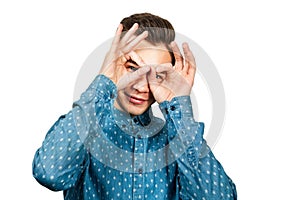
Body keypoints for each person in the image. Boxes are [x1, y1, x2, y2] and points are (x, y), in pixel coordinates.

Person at [32, 13, 237, 200]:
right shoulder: (86, 129)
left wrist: (180, 107)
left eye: (156, 75)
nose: (141, 86)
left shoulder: (177, 140)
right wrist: (105, 80)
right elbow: (49, 174)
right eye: (132, 68)